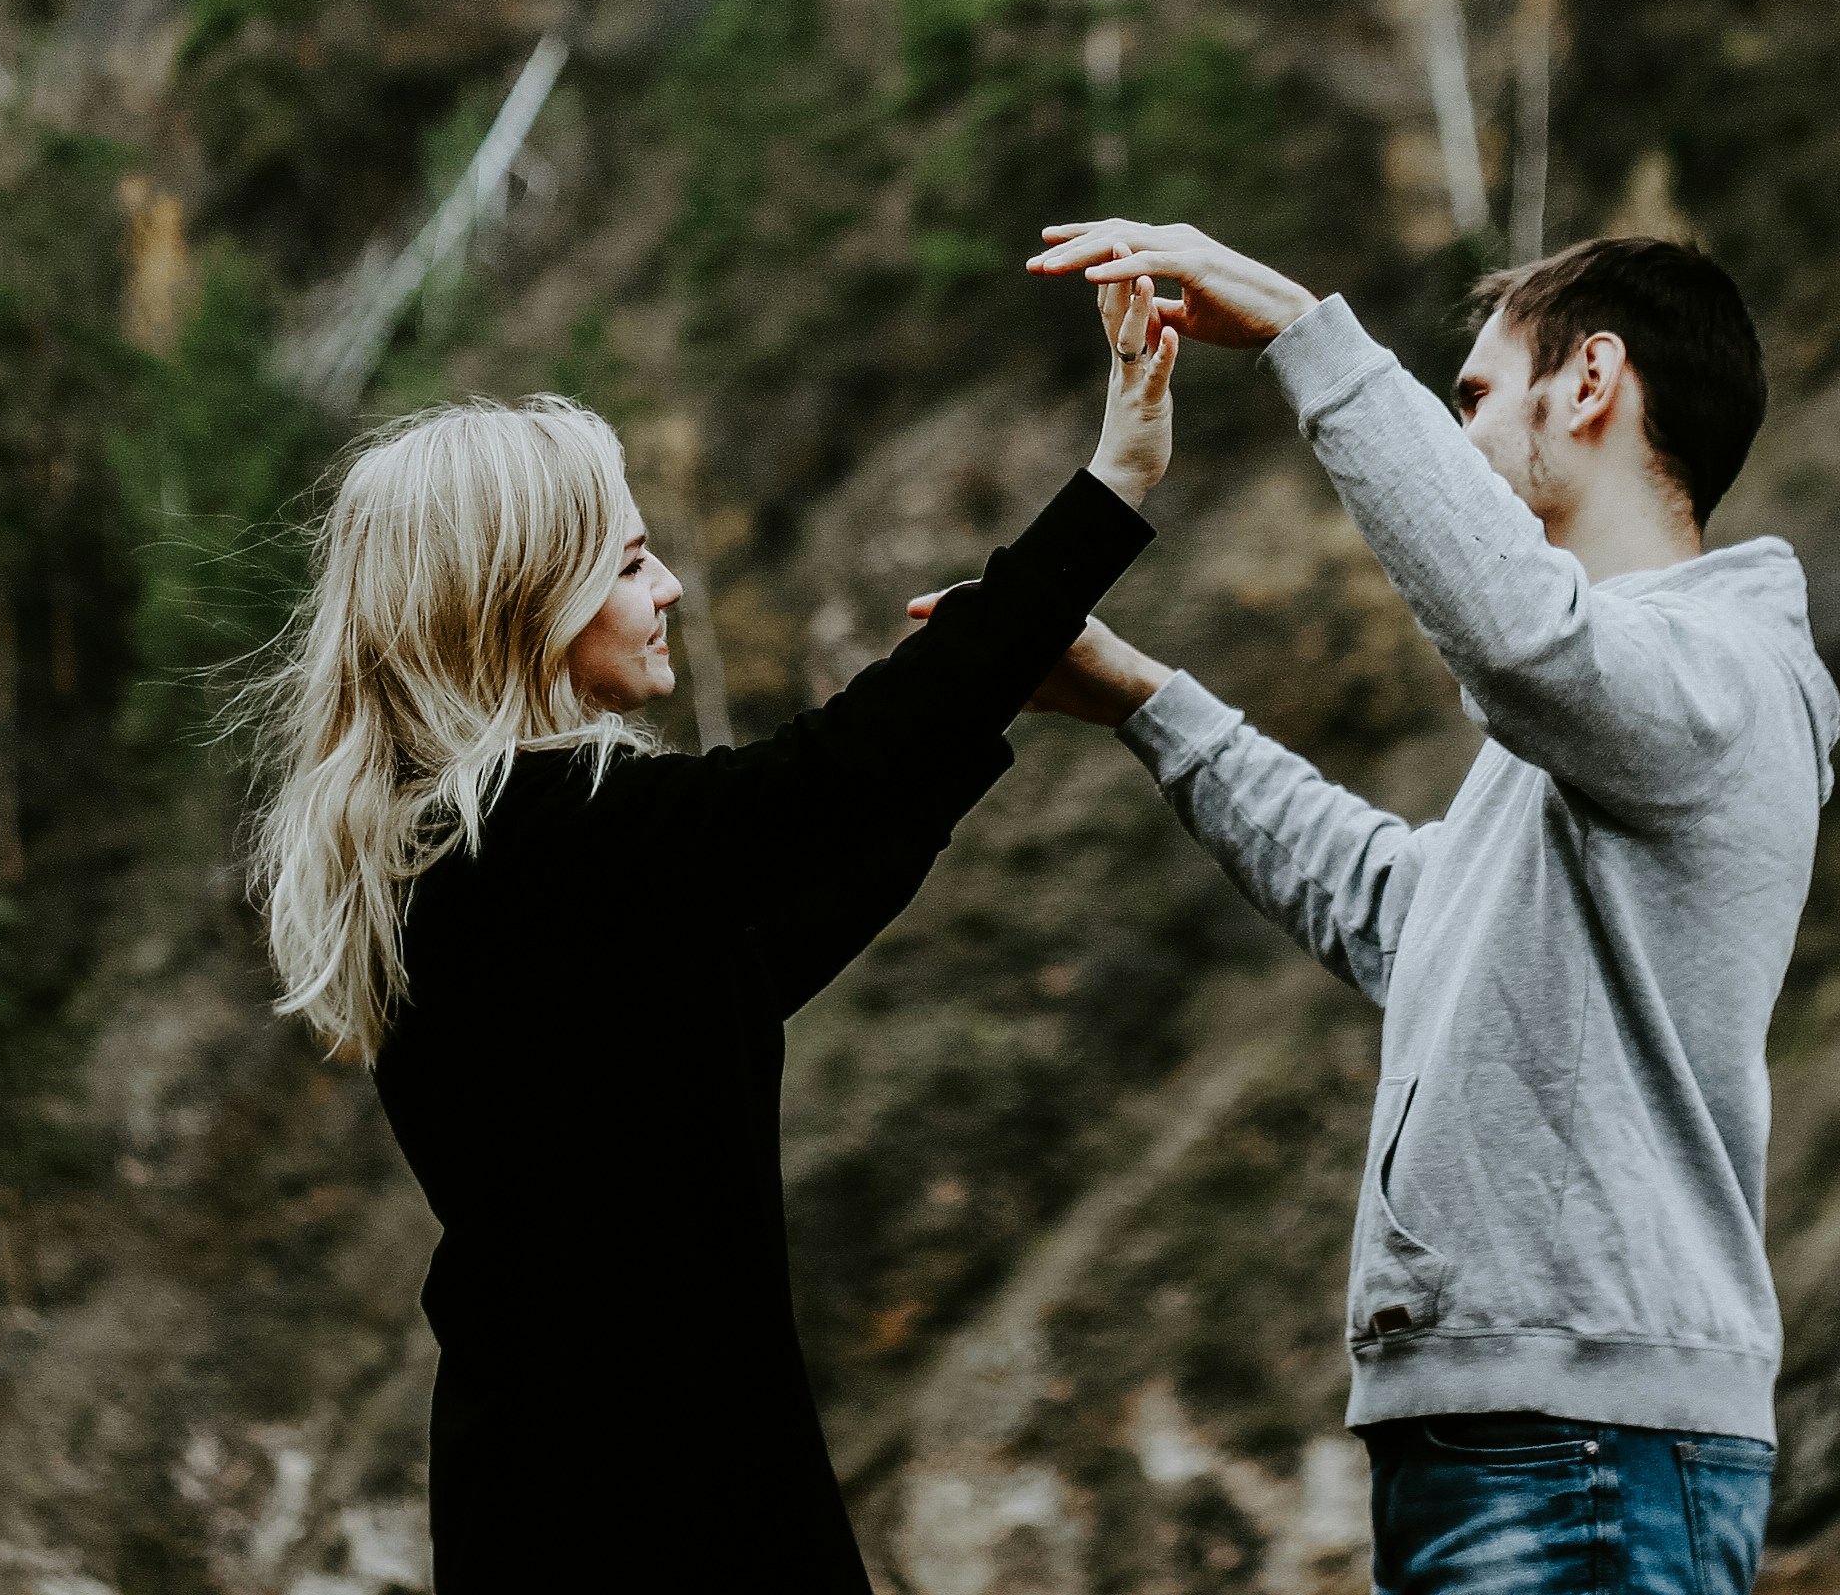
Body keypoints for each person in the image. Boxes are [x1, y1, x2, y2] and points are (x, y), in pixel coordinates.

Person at [249, 281, 1183, 1592]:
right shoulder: (544, 835)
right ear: (527, 600)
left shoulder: (464, 865)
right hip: (651, 1505)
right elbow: (820, 790)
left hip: (567, 1490)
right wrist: (1110, 490)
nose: (671, 584)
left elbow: (784, 919)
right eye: (630, 562)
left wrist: (981, 687)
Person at [1004, 221, 1840, 1595]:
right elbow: (1399, 913)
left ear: (1590, 385)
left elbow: (1517, 634)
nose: (1454, 442)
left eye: (1472, 399)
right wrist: (1145, 703)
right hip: (1506, 1433)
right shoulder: (1608, 718)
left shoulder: (1722, 675)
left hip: (1588, 1445)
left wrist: (1295, 327)